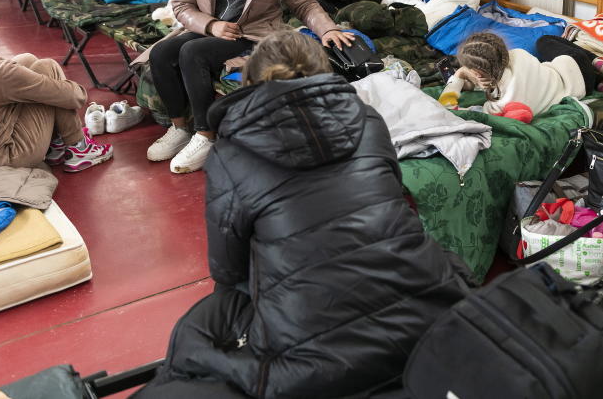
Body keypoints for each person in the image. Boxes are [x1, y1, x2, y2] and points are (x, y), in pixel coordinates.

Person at [135, 30, 468, 398]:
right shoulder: (369, 120)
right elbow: (390, 196)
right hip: (428, 313)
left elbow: (228, 270)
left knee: (228, 298)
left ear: (250, 79)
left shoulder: (230, 153)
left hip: (312, 366)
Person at [141, 0, 354, 174]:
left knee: (192, 53)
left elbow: (304, 3)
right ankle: (179, 127)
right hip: (212, 28)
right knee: (161, 52)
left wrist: (328, 29)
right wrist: (210, 25)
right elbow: (181, 4)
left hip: (254, 33)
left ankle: (205, 135)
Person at [0, 0, 112, 171]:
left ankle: (57, 145)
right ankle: (79, 147)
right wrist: (77, 89)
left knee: (26, 60)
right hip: (4, 158)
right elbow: (75, 97)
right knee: (48, 68)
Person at [438, 32, 595, 122]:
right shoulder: (519, 54)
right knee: (545, 41)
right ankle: (602, 66)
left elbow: (447, 107)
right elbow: (501, 77)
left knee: (546, 44)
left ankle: (602, 72)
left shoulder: (499, 105)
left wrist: (459, 74)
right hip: (573, 65)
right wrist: (472, 76)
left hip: (583, 88)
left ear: (477, 73)